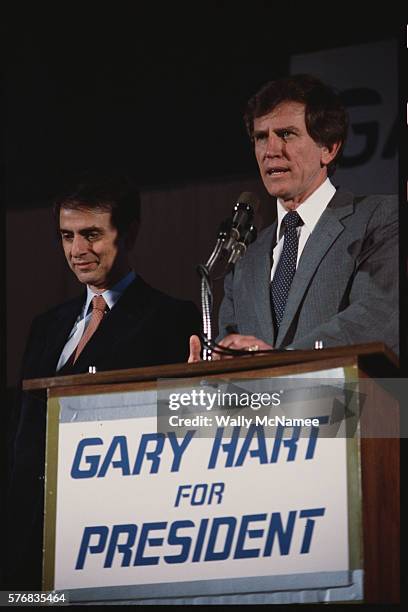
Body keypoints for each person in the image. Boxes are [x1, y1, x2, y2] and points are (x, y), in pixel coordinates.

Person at [6, 172, 201, 589]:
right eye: (66, 236)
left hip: (111, 539)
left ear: (128, 233)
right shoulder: (46, 326)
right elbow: (22, 436)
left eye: (91, 234)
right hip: (29, 543)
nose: (77, 251)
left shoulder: (172, 319)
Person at [189, 74, 398, 361]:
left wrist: (281, 360)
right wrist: (209, 369)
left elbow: (378, 316)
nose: (271, 151)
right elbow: (231, 348)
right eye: (261, 137)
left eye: (286, 134)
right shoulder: (245, 257)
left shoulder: (381, 218)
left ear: (329, 147)